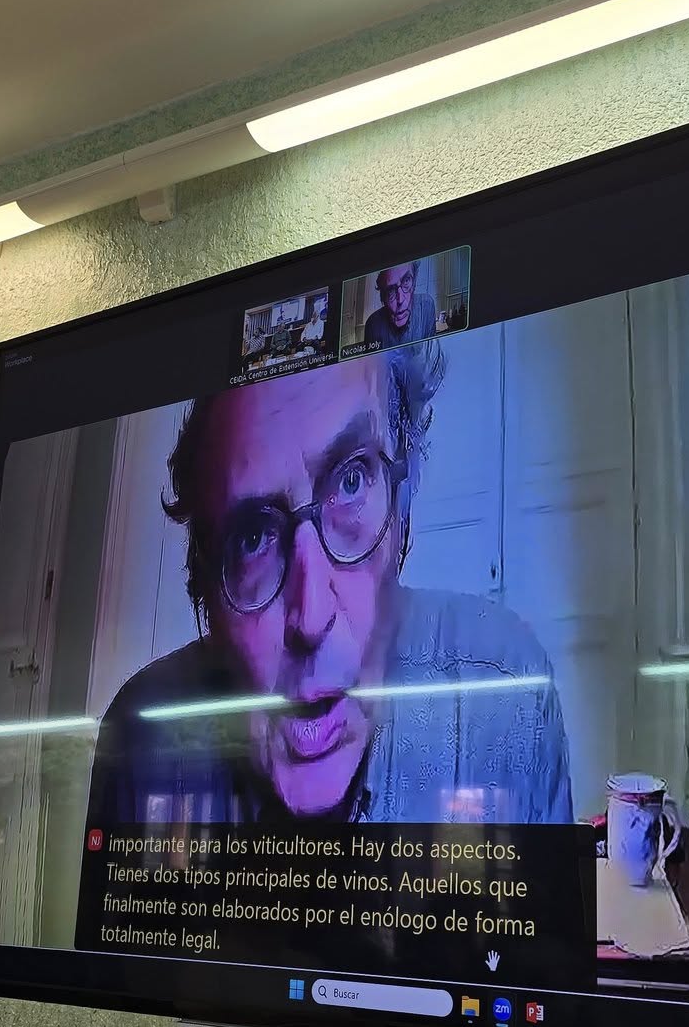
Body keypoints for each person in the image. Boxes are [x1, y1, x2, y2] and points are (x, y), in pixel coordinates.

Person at [79, 344, 573, 839]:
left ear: (401, 512)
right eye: (253, 537)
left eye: (351, 482)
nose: (311, 616)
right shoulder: (142, 738)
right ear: (206, 588)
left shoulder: (506, 698)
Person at [362, 261, 437, 349]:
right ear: (383, 297)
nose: (400, 300)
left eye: (406, 281)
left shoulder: (426, 305)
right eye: (391, 290)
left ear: (414, 282)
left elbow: (432, 352)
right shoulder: (373, 324)